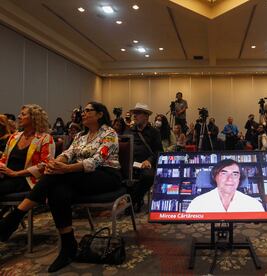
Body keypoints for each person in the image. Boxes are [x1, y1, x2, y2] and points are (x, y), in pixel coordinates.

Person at [0, 102, 122, 272]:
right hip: (79, 176)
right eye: (83, 111)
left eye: (88, 111)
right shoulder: (80, 135)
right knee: (58, 191)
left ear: (100, 114)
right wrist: (55, 164)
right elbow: (67, 154)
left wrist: (65, 169)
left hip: (106, 175)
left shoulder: (110, 133)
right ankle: (68, 245)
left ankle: (14, 218)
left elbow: (96, 161)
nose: (83, 114)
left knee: (57, 177)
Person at [0, 105, 55, 195]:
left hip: (26, 179)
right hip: (6, 176)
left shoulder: (45, 138)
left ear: (34, 118)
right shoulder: (14, 137)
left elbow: (45, 165)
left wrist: (16, 173)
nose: (18, 116)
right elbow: (4, 158)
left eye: (23, 114)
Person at [186, 159, 264, 212]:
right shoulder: (197, 204)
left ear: (239, 178)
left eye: (235, 174)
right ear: (215, 177)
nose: (230, 178)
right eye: (224, 173)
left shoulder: (254, 205)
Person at [126, 103, 163, 210]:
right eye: (134, 113)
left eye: (138, 113)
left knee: (148, 176)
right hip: (129, 164)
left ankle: (134, 200)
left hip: (145, 164)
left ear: (146, 116)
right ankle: (132, 200)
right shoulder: (129, 131)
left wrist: (149, 161)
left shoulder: (154, 132)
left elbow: (158, 151)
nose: (134, 116)